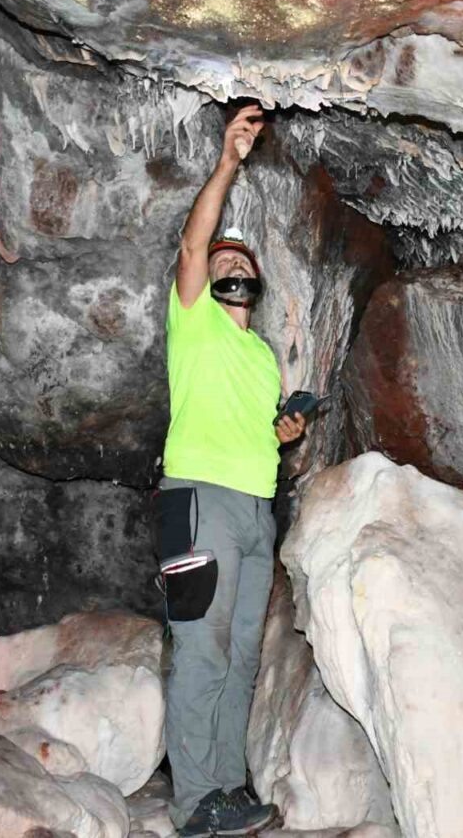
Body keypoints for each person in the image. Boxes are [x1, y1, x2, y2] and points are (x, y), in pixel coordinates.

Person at [155, 102, 306, 837]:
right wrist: (228, 163)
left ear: (257, 282)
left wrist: (285, 429)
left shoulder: (261, 357)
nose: (230, 263)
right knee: (201, 645)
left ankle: (224, 786)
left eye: (241, 261)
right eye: (222, 260)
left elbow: (262, 430)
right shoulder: (194, 320)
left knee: (242, 655)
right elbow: (192, 245)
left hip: (255, 511)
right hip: (199, 497)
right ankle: (191, 804)